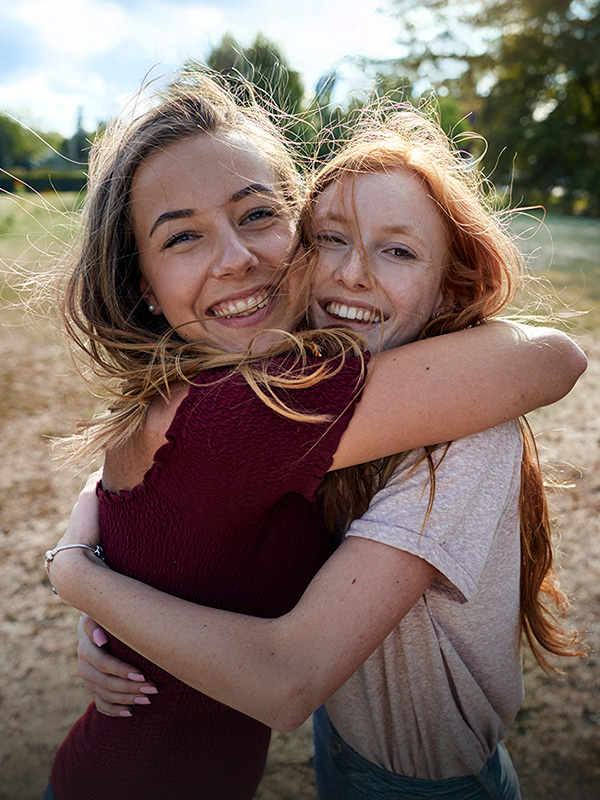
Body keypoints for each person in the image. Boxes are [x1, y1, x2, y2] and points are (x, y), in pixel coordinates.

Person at [45, 89, 586, 800]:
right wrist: (82, 578)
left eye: (258, 215)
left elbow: (144, 499)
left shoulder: (249, 390)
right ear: (143, 284)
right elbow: (550, 357)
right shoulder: (259, 407)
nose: (236, 258)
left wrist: (86, 572)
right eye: (183, 235)